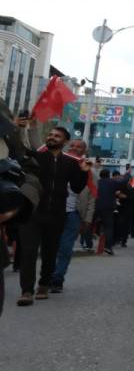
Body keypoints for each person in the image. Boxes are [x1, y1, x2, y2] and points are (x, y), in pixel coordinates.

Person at [16, 125, 88, 305]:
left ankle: (44, 284)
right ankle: (26, 290)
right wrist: (21, 128)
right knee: (29, 252)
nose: (52, 137)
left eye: (57, 136)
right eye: (50, 134)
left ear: (65, 141)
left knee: (50, 252)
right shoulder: (36, 158)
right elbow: (21, 148)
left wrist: (84, 172)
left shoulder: (70, 163)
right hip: (32, 212)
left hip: (56, 214)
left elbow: (78, 187)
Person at [50, 139, 95, 292]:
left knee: (65, 249)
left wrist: (87, 220)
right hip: (52, 212)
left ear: (84, 150)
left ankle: (57, 279)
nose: (75, 148)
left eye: (79, 146)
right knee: (50, 247)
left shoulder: (88, 169)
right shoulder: (56, 162)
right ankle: (47, 276)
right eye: (73, 145)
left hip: (73, 214)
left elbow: (92, 197)